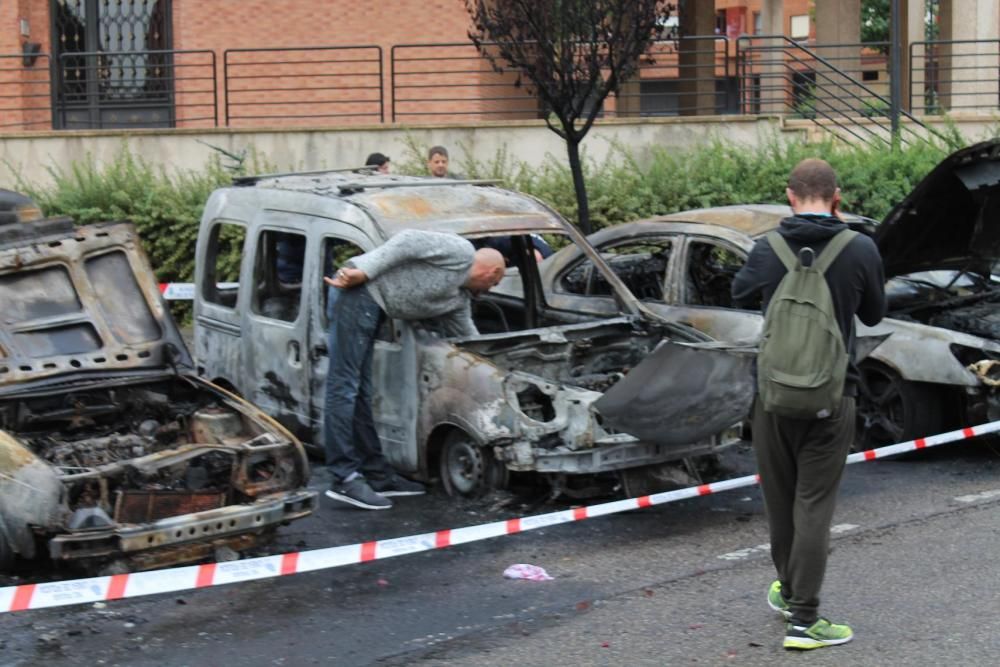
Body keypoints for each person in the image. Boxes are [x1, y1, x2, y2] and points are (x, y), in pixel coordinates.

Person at [731, 158, 886, 650]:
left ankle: (790, 590)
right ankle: (804, 619)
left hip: (772, 397)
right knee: (814, 504)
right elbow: (874, 312)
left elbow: (738, 294)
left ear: (789, 196)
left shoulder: (766, 248)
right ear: (837, 198)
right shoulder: (860, 248)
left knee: (780, 501)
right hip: (833, 395)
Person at [322, 229, 506, 510]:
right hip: (357, 288)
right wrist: (365, 272)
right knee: (344, 387)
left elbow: (470, 340)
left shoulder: (457, 300)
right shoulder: (460, 252)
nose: (491, 289)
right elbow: (407, 240)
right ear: (491, 272)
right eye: (495, 282)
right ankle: (343, 477)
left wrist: (501, 370)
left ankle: (377, 475)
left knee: (360, 390)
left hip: (374, 306)